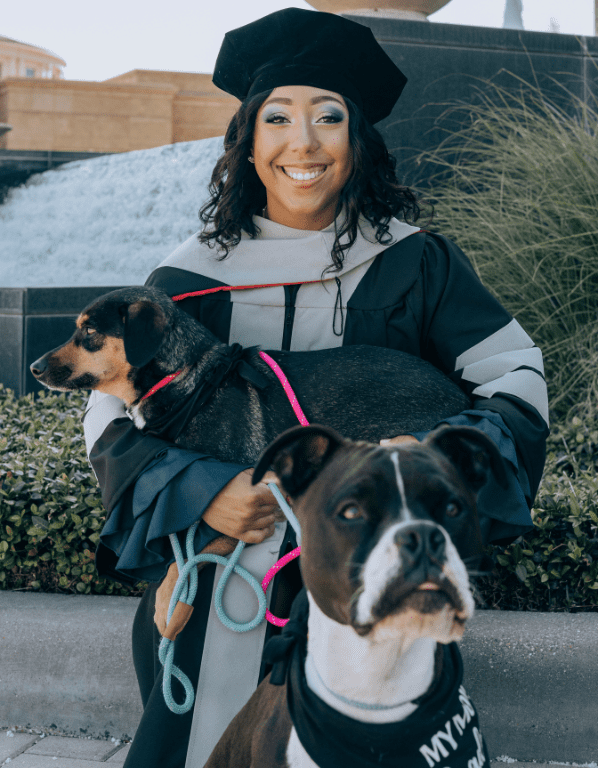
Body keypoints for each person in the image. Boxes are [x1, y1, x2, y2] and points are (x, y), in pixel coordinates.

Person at [83, 8, 549, 768]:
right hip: (221, 578)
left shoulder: (415, 263)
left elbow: (516, 376)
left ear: (357, 140)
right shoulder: (183, 280)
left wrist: (432, 461)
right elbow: (109, 415)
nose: (303, 142)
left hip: (370, 570)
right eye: (278, 119)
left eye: (328, 118)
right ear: (249, 139)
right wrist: (207, 490)